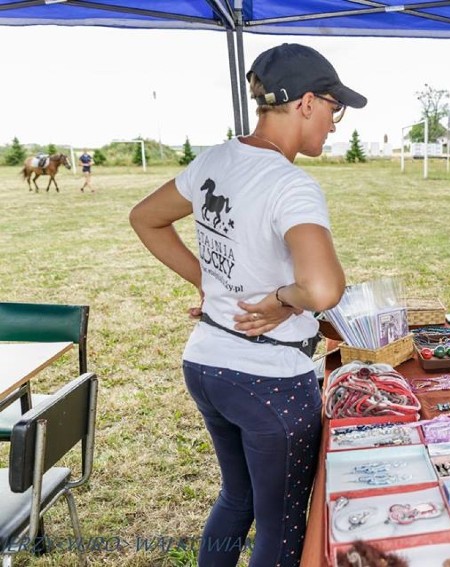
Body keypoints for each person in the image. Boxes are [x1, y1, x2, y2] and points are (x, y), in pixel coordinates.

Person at [129, 43, 366, 566]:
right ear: (307, 102)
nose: (334, 124)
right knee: (280, 527)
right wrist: (284, 299)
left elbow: (145, 217)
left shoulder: (216, 159)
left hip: (208, 365)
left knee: (237, 499)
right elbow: (324, 291)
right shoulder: (290, 183)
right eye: (334, 108)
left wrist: (209, 282)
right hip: (268, 379)